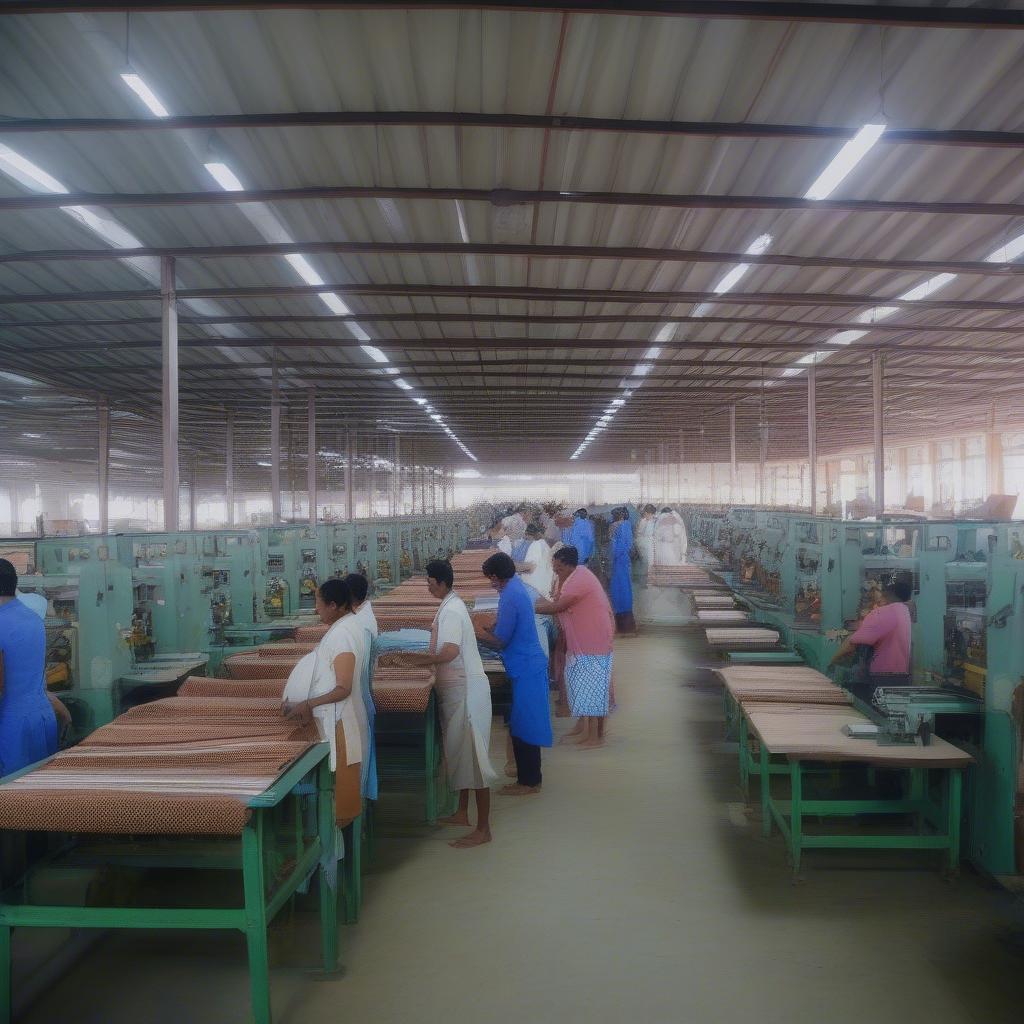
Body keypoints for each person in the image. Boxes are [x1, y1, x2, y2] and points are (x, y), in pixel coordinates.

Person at [406, 560, 497, 847]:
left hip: (467, 693)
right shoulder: (449, 605)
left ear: (441, 582)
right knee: (461, 754)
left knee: (476, 759)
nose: (428, 587)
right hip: (457, 690)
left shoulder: (453, 611)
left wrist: (415, 660)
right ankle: (461, 812)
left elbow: (448, 651)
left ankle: (484, 829)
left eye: (430, 582)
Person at [283, 578, 368, 825]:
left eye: (318, 603)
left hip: (340, 719)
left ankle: (335, 854)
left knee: (340, 797)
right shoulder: (347, 627)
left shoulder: (343, 634)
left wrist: (307, 704)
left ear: (333, 605)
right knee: (341, 792)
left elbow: (343, 687)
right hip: (342, 716)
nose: (315, 609)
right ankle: (338, 850)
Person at [474, 552, 552, 795]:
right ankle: (526, 777)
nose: (490, 583)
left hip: (526, 666)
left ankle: (529, 782)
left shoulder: (511, 595)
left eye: (490, 578)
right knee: (521, 722)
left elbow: (500, 641)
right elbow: (506, 626)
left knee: (526, 725)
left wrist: (474, 632)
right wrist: (492, 625)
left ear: (497, 576)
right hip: (526, 664)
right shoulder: (516, 587)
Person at [536, 546, 614, 749]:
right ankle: (585, 729)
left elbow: (559, 606)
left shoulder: (580, 578)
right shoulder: (572, 576)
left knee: (594, 686)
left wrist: (528, 607)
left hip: (593, 637)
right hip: (583, 638)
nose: (556, 571)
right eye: (554, 568)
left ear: (571, 565)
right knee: (583, 684)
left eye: (559, 568)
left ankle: (596, 737)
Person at [0, 559, 60, 777]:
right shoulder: (32, 619)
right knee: (40, 799)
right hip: (41, 717)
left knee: (12, 803)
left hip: (11, 727)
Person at [829, 579, 913, 704]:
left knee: (872, 714)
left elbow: (851, 644)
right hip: (901, 677)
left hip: (880, 678)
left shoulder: (883, 612)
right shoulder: (904, 611)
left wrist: (832, 661)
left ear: (889, 593)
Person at [344, 572, 378, 801]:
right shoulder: (359, 619)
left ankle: (355, 818)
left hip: (356, 698)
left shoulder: (360, 626)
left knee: (357, 760)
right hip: (360, 694)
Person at [608, 508, 636, 634]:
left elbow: (621, 545)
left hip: (620, 560)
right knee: (623, 590)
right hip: (622, 561)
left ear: (618, 515)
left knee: (621, 591)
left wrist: (612, 554)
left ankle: (624, 624)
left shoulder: (619, 526)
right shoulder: (625, 525)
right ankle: (626, 623)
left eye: (614, 515)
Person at [634, 504, 657, 584]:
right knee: (644, 563)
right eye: (645, 513)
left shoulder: (655, 521)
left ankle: (650, 580)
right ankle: (645, 580)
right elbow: (637, 534)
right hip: (643, 544)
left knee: (651, 562)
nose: (646, 515)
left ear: (651, 514)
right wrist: (639, 544)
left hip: (651, 544)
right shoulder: (642, 521)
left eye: (647, 513)